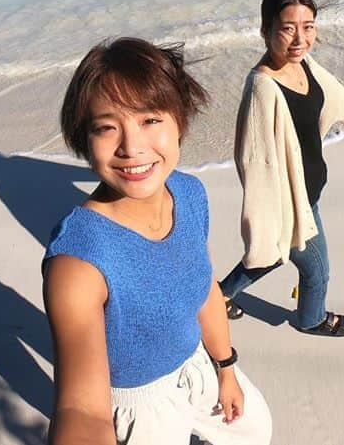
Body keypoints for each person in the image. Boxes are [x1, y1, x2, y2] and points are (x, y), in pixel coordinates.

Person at [43, 38, 273, 445]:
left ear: (179, 121)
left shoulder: (188, 193)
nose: (131, 148)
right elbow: (82, 409)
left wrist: (225, 368)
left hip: (197, 367)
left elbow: (203, 288)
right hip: (137, 405)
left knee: (255, 430)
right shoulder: (78, 263)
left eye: (150, 120)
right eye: (106, 127)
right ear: (85, 138)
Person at [219, 0, 344, 337]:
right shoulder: (262, 89)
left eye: (308, 26)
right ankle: (311, 319)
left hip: (310, 191)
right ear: (265, 31)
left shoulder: (305, 64)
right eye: (287, 28)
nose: (300, 38)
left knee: (275, 251)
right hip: (290, 203)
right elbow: (253, 161)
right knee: (315, 268)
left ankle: (219, 295)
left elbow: (335, 96)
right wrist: (269, 218)